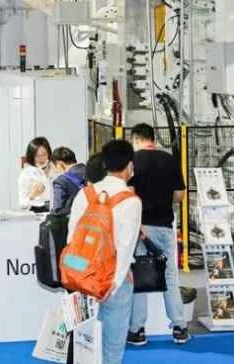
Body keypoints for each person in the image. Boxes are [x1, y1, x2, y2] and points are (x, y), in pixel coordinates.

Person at [67, 140, 141, 364]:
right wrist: (115, 283)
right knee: (112, 350)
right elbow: (126, 247)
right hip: (111, 281)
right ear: (129, 166)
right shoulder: (131, 201)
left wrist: (75, 274)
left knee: (82, 346)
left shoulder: (85, 194)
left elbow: (72, 239)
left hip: (80, 277)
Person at [127, 123, 190, 346]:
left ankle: (137, 330)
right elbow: (180, 195)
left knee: (139, 275)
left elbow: (129, 194)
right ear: (152, 138)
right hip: (165, 226)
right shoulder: (169, 159)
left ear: (136, 139)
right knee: (170, 276)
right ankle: (180, 327)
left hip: (142, 228)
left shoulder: (133, 161)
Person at [18, 137, 53, 212]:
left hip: (54, 211)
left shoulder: (55, 168)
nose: (41, 159)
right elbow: (22, 204)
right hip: (36, 212)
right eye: (37, 155)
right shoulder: (27, 173)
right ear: (31, 156)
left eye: (44, 154)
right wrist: (32, 195)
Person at [50, 147, 86, 213]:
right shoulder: (91, 172)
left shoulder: (60, 182)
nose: (56, 172)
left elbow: (57, 211)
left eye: (54, 167)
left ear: (60, 164)